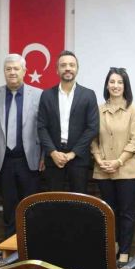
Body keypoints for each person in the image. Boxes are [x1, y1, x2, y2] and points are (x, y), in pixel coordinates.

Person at [0, 54, 44, 236]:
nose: (12, 72)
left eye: (16, 68)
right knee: (9, 206)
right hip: (4, 161)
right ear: (4, 72)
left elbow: (44, 128)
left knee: (30, 206)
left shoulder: (39, 94)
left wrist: (44, 156)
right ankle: (10, 246)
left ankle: (30, 243)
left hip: (30, 160)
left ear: (24, 71)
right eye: (8, 69)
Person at [90, 68, 135, 265]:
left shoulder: (133, 110)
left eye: (120, 82)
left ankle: (125, 252)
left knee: (126, 212)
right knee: (108, 212)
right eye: (112, 82)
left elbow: (134, 141)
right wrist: (98, 158)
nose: (115, 86)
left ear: (125, 86)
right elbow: (92, 138)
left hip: (127, 169)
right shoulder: (97, 109)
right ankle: (114, 246)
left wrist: (118, 161)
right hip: (103, 169)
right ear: (106, 85)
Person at [37, 50, 99, 193]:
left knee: (78, 200)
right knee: (54, 199)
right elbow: (41, 127)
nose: (68, 68)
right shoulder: (46, 95)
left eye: (72, 65)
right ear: (57, 70)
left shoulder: (88, 95)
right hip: (53, 158)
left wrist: (72, 153)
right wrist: (53, 152)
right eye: (63, 65)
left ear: (77, 69)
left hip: (78, 158)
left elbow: (92, 128)